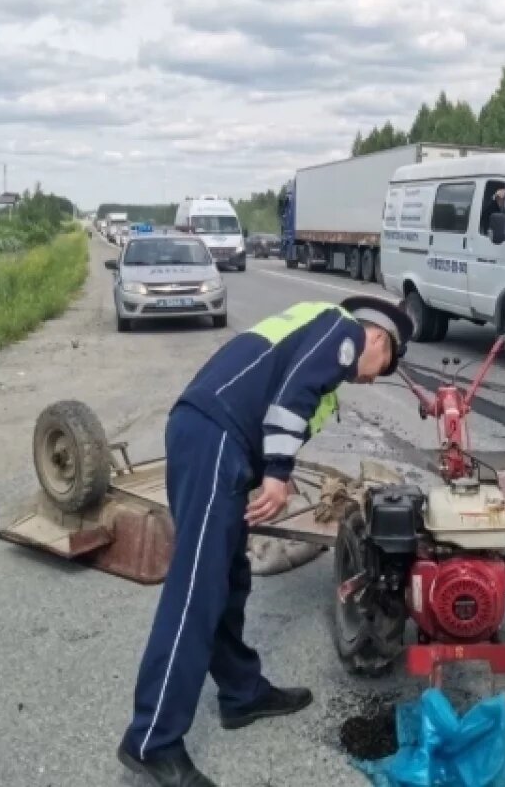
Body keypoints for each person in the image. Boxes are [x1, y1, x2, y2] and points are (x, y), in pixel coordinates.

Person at [117, 296, 414, 787]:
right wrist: (277, 475)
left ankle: (240, 693)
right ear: (378, 338)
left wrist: (272, 469)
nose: (369, 380)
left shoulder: (316, 333)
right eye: (381, 369)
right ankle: (151, 739)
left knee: (229, 580)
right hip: (215, 437)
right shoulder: (344, 331)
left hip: (216, 440)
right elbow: (290, 397)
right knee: (195, 591)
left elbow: (280, 397)